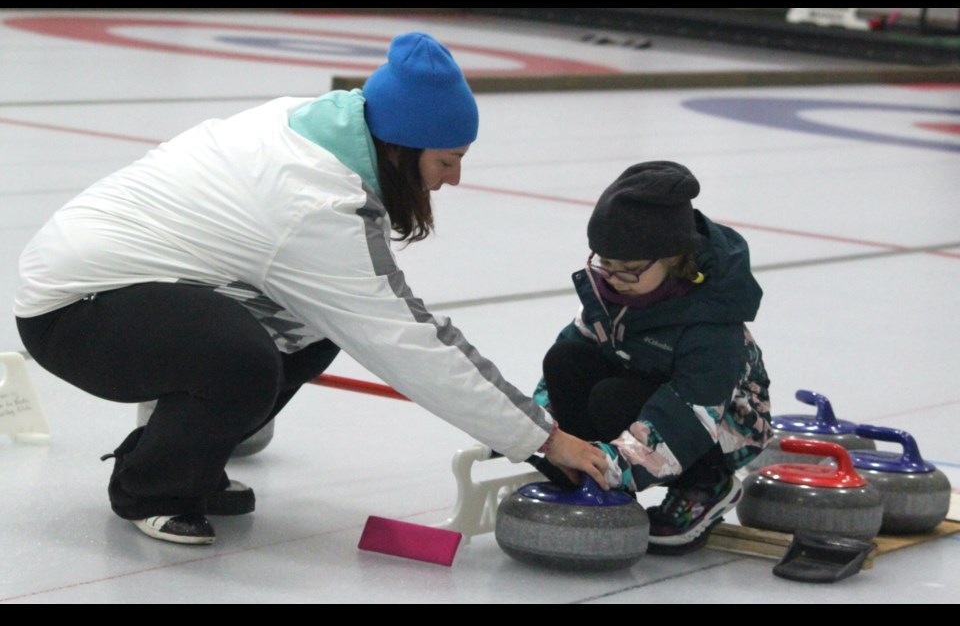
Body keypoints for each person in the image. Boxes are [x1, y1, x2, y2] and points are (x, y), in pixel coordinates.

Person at [14, 32, 610, 546]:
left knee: (310, 328)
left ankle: (191, 456)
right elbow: (407, 339)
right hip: (76, 312)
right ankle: (151, 487)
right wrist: (541, 437)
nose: (454, 178)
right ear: (403, 150)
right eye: (447, 160)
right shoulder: (315, 203)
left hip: (133, 285)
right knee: (243, 360)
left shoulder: (319, 126)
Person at [533, 161, 773, 555]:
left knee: (613, 398)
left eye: (628, 270)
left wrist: (612, 465)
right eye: (604, 264)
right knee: (567, 358)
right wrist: (544, 436)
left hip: (717, 426)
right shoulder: (614, 298)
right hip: (645, 393)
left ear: (675, 258)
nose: (613, 278)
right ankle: (587, 471)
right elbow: (561, 370)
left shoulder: (711, 327)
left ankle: (707, 483)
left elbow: (687, 416)